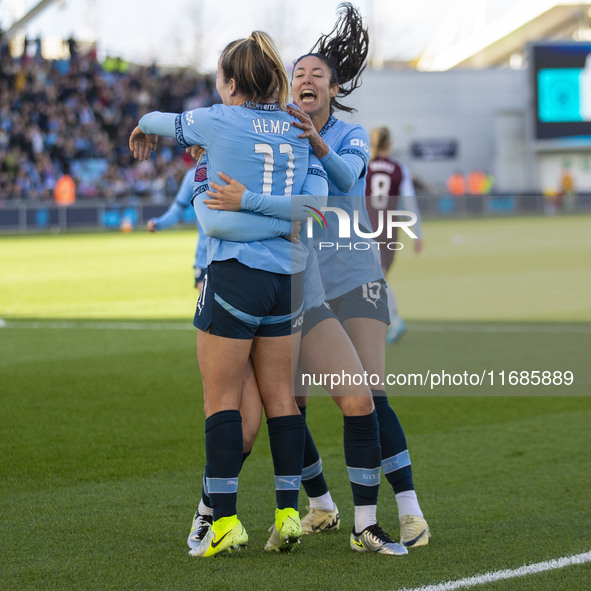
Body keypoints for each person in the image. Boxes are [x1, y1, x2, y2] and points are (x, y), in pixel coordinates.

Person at [207, 3, 430, 550]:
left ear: (334, 90)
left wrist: (314, 139)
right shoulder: (281, 127)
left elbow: (344, 178)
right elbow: (239, 139)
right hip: (303, 285)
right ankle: (322, 505)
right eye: (298, 73)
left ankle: (409, 511)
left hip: (355, 279)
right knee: (291, 401)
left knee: (370, 395)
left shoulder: (349, 138)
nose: (305, 80)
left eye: (317, 75)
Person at [129, 31, 328, 557]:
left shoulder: (216, 120)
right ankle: (288, 515)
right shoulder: (295, 124)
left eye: (219, 78)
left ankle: (224, 522)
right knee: (282, 400)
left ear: (232, 83)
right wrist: (271, 216)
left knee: (222, 402)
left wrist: (140, 129)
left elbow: (158, 123)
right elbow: (315, 209)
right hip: (287, 279)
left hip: (235, 275)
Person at [365, 126, 423, 344]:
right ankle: (385, 321)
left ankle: (394, 319)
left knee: (374, 278)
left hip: (367, 227)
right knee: (378, 277)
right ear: (389, 145)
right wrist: (417, 234)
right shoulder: (399, 168)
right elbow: (410, 202)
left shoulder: (365, 166)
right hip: (390, 229)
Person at [146, 165, 207, 290]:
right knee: (206, 306)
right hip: (204, 256)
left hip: (228, 255)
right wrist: (159, 223)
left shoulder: (228, 168)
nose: (189, 150)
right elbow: (177, 209)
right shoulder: (193, 175)